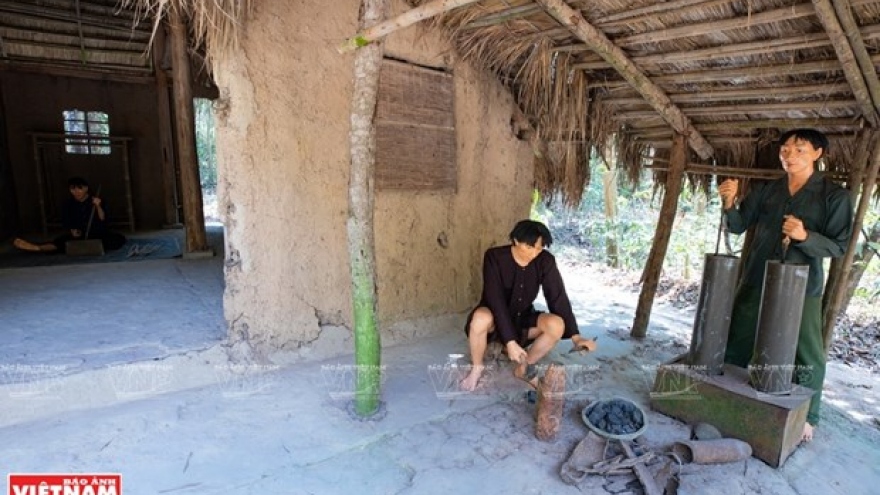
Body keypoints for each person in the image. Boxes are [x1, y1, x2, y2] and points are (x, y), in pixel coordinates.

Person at [718, 129, 853, 443]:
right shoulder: (768, 190)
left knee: (807, 351)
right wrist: (728, 203)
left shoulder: (834, 196)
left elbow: (840, 247)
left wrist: (806, 237)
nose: (789, 155)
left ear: (818, 154)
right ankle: (726, 394)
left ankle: (809, 415)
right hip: (757, 276)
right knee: (739, 335)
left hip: (801, 284)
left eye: (799, 149)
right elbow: (737, 227)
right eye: (785, 149)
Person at [459, 219, 597, 392]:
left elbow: (557, 295)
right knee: (480, 318)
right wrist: (510, 342)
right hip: (494, 318)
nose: (534, 253)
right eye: (530, 247)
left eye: (540, 248)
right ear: (516, 241)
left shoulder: (545, 261)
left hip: (523, 318)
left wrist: (576, 337)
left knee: (556, 324)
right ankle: (477, 368)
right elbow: (495, 300)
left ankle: (524, 368)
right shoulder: (494, 257)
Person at [13, 177, 127, 253]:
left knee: (116, 240)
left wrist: (98, 206)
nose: (76, 191)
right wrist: (72, 229)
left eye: (79, 188)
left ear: (86, 188)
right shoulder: (68, 204)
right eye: (73, 189)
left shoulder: (96, 200)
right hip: (78, 234)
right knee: (61, 243)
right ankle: (37, 248)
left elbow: (103, 219)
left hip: (96, 233)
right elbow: (67, 220)